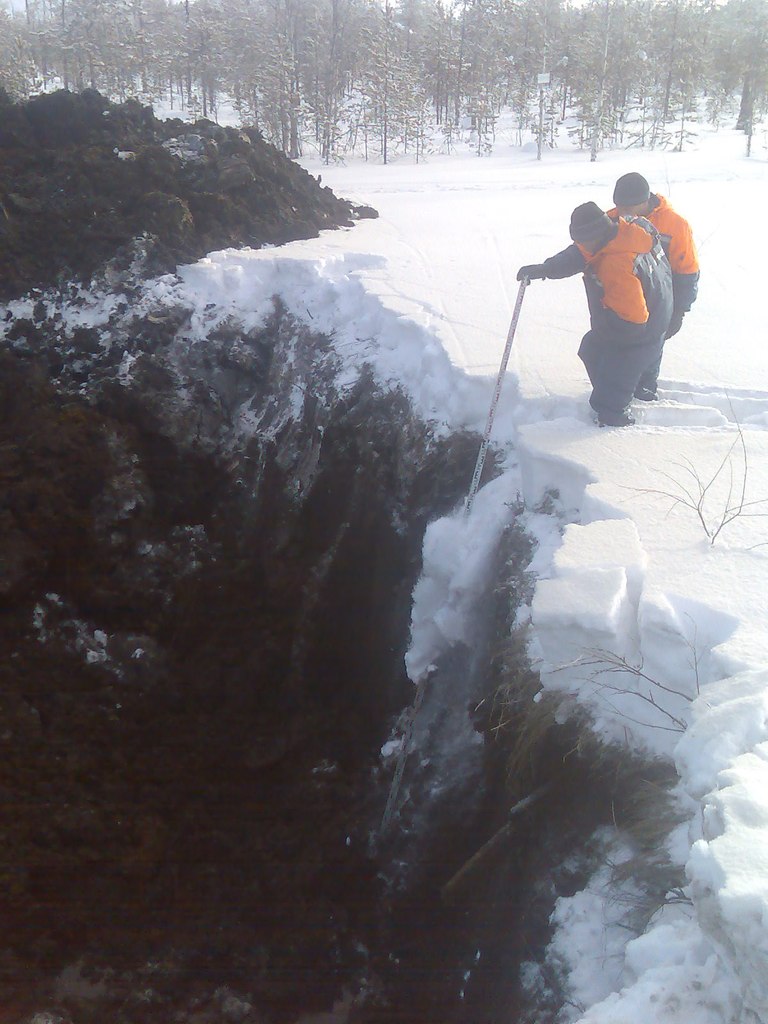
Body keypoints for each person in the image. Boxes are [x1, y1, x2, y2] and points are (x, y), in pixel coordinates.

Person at [517, 201, 673, 427]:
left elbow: (633, 321)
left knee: (606, 359)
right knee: (602, 350)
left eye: (581, 241)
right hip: (659, 309)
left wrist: (608, 334)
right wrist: (547, 269)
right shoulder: (627, 229)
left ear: (593, 236)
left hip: (640, 327)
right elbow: (579, 254)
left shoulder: (615, 264)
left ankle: (613, 419)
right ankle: (643, 389)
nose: (579, 246)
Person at [610, 172, 700, 400]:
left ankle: (645, 389)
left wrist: (680, 310)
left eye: (628, 207)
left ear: (644, 201)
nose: (623, 213)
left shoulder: (676, 225)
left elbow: (687, 270)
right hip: (625, 297)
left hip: (660, 301)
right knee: (618, 347)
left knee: (651, 347)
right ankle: (618, 386)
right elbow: (587, 246)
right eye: (619, 207)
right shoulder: (612, 218)